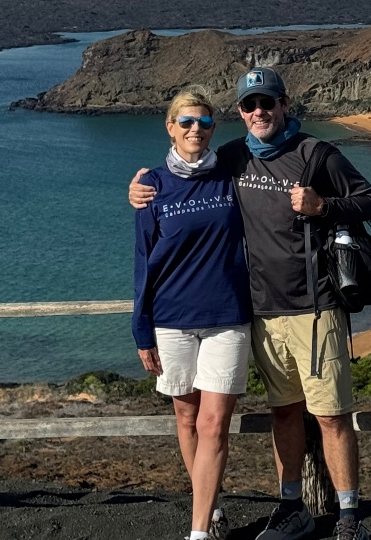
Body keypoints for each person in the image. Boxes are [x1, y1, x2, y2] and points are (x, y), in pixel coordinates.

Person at [131, 67, 371, 540]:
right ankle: (292, 507)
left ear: (285, 105)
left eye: (268, 102)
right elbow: (184, 176)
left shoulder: (316, 153)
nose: (259, 112)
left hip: (316, 306)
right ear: (241, 114)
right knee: (284, 413)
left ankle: (349, 518)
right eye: (249, 105)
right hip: (262, 312)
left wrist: (323, 207)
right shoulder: (231, 158)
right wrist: (141, 188)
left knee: (330, 414)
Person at [133, 88, 252, 540]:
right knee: (186, 418)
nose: (194, 130)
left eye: (203, 122)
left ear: (213, 129)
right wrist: (141, 329)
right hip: (171, 320)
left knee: (212, 422)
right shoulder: (151, 187)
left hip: (227, 317)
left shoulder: (232, 174)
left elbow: (273, 143)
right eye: (185, 122)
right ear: (170, 127)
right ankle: (212, 504)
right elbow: (142, 261)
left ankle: (198, 531)